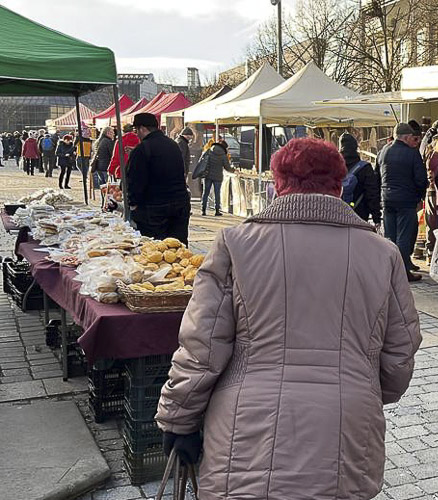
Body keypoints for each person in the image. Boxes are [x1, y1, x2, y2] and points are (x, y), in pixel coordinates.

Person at [155, 137, 421, 499]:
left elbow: (202, 344)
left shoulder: (235, 243)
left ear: (277, 185)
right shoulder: (384, 253)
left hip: (248, 425)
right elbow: (401, 350)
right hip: (347, 420)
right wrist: (368, 389)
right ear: (339, 186)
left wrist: (178, 417)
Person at [127, 113, 191, 244]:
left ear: (142, 128)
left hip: (154, 209)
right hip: (179, 204)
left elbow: (136, 181)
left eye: (136, 130)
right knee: (178, 249)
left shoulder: (142, 149)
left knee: (154, 251)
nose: (136, 134)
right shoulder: (173, 145)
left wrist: (133, 204)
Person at [377, 122, 428, 281]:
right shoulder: (412, 154)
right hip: (406, 200)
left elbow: (377, 175)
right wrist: (419, 196)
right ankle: (402, 272)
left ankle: (388, 271)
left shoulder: (383, 151)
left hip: (387, 198)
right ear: (406, 137)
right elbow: (421, 179)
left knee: (390, 237)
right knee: (404, 238)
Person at [339, 133, 381, 225]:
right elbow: (372, 193)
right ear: (355, 148)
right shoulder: (365, 168)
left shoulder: (334, 167)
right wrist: (376, 217)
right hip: (359, 214)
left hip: (338, 214)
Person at [201, 140, 235, 216]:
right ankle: (217, 210)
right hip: (218, 176)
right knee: (217, 193)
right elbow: (227, 167)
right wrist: (233, 170)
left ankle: (203, 209)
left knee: (205, 192)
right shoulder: (223, 155)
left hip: (208, 175)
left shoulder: (209, 151)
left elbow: (202, 161)